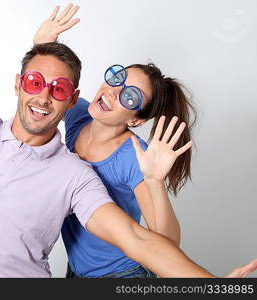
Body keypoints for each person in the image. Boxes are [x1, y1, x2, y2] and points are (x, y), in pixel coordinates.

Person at [0, 0, 256, 278]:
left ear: (72, 99)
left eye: (58, 90)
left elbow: (141, 241)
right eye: (35, 83)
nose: (43, 95)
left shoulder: (78, 175)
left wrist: (211, 286)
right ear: (18, 85)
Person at [33, 4, 192, 278]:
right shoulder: (78, 115)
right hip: (78, 270)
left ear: (136, 120)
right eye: (117, 79)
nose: (112, 92)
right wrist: (40, 45)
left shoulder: (133, 157)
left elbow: (168, 244)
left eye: (129, 97)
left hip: (120, 275)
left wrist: (154, 182)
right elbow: (51, 90)